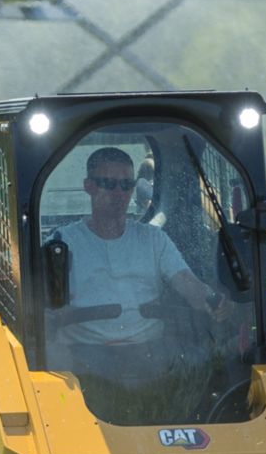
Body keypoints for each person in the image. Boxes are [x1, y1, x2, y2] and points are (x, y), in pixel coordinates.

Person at [50, 144, 232, 421]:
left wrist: (210, 300)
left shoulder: (152, 239)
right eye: (109, 184)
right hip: (85, 359)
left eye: (126, 185)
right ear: (88, 186)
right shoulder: (62, 243)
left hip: (151, 355)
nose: (119, 193)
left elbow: (187, 282)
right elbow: (46, 308)